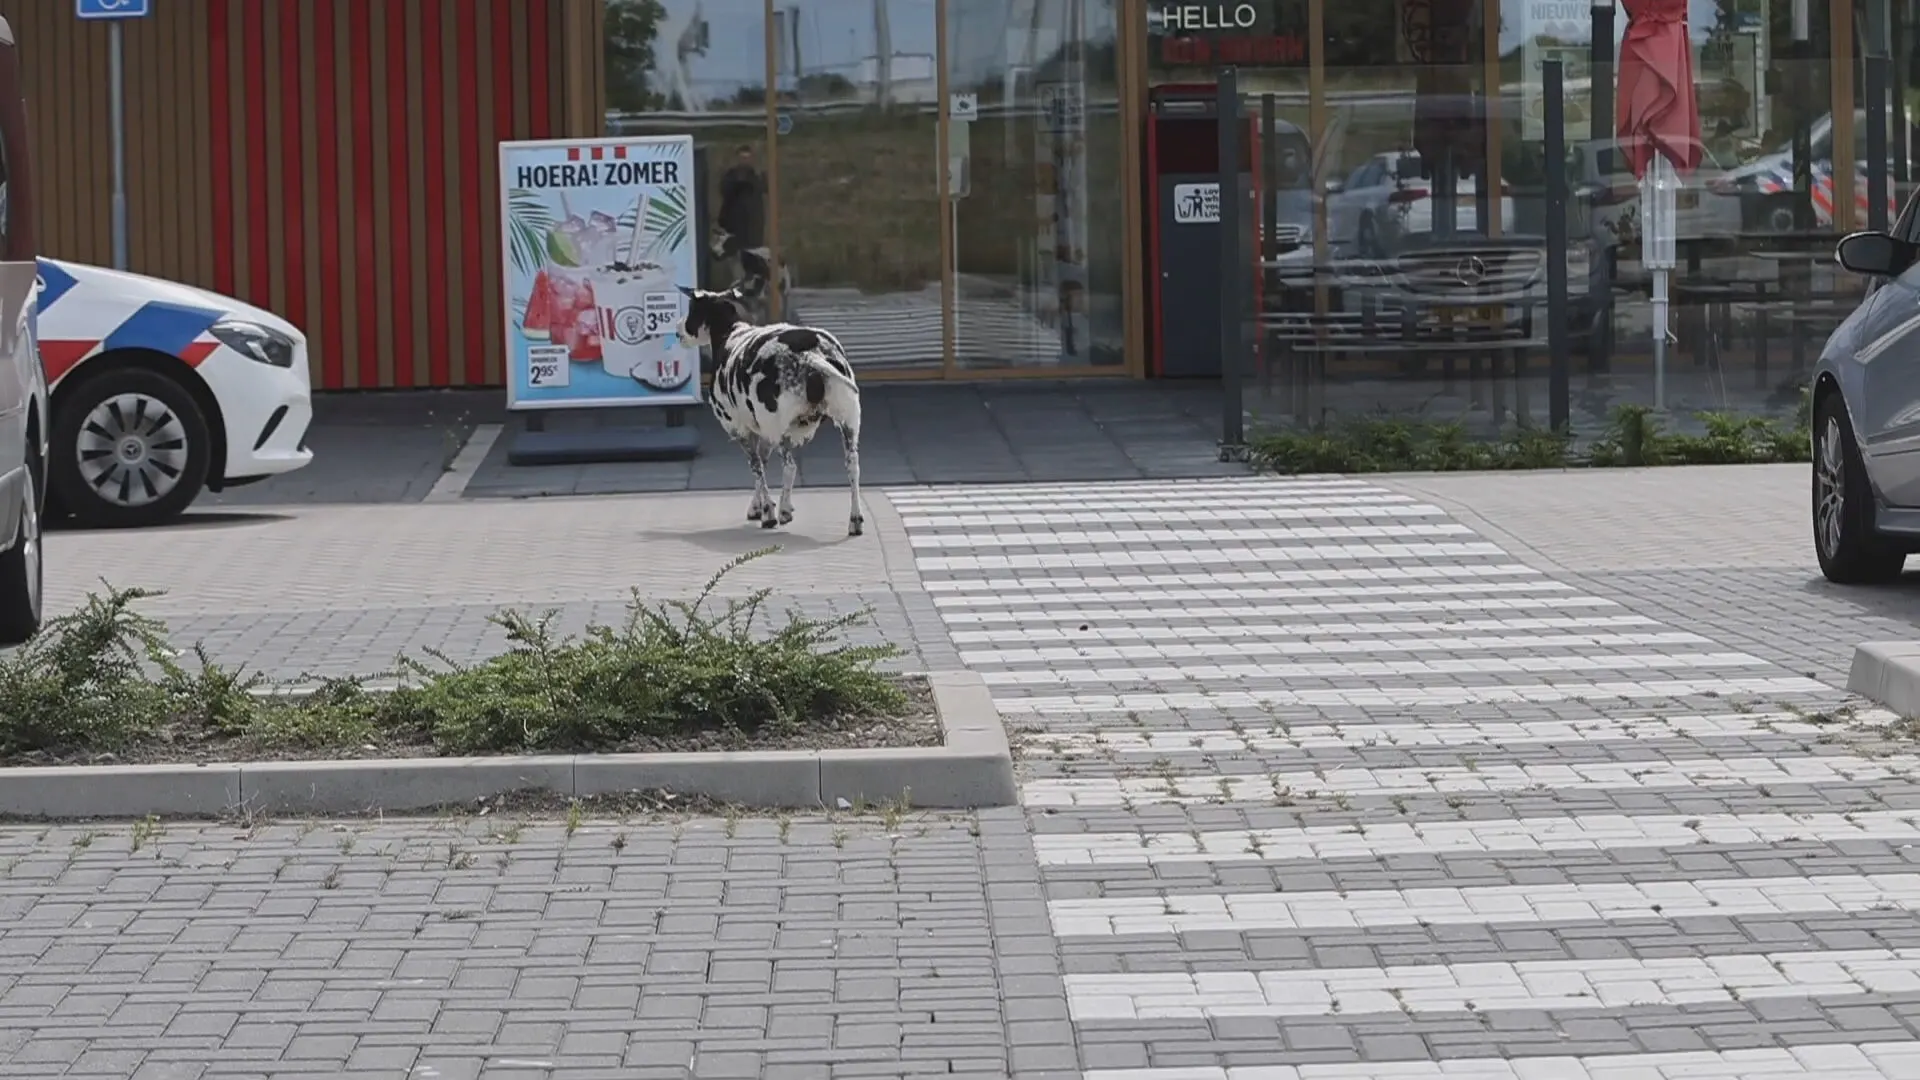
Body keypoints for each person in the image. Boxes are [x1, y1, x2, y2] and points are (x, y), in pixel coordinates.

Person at [714, 144, 765, 288]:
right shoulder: (731, 177)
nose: (745, 162)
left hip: (752, 231)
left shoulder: (756, 176)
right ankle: (740, 292)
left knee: (752, 267)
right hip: (734, 230)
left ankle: (751, 292)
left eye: (747, 158)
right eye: (742, 158)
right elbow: (725, 191)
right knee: (736, 268)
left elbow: (763, 188)